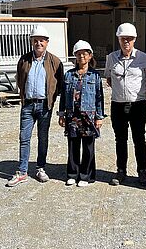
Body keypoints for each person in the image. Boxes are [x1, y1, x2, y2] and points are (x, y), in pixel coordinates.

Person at [7, 25, 64, 187]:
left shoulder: (54, 61)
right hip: (28, 105)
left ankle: (40, 168)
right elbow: (20, 79)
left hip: (45, 106)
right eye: (35, 40)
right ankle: (22, 172)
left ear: (47, 42)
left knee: (43, 138)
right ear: (32, 42)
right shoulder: (24, 60)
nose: (38, 43)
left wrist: (52, 99)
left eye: (42, 41)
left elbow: (60, 83)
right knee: (24, 138)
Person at [104, 23, 146, 186]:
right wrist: (121, 93)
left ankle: (142, 172)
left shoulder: (144, 58)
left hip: (138, 105)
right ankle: (121, 171)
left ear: (134, 39)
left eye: (130, 39)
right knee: (120, 139)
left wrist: (138, 93)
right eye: (123, 38)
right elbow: (109, 79)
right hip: (118, 105)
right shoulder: (111, 58)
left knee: (139, 139)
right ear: (118, 39)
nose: (126, 41)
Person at [58, 40, 104, 187]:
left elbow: (99, 97)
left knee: (88, 147)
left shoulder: (95, 76)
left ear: (90, 56)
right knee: (73, 146)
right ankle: (72, 174)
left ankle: (86, 176)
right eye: (78, 54)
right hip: (72, 116)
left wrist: (99, 117)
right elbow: (63, 96)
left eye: (84, 53)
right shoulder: (69, 75)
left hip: (89, 116)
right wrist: (61, 115)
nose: (81, 56)